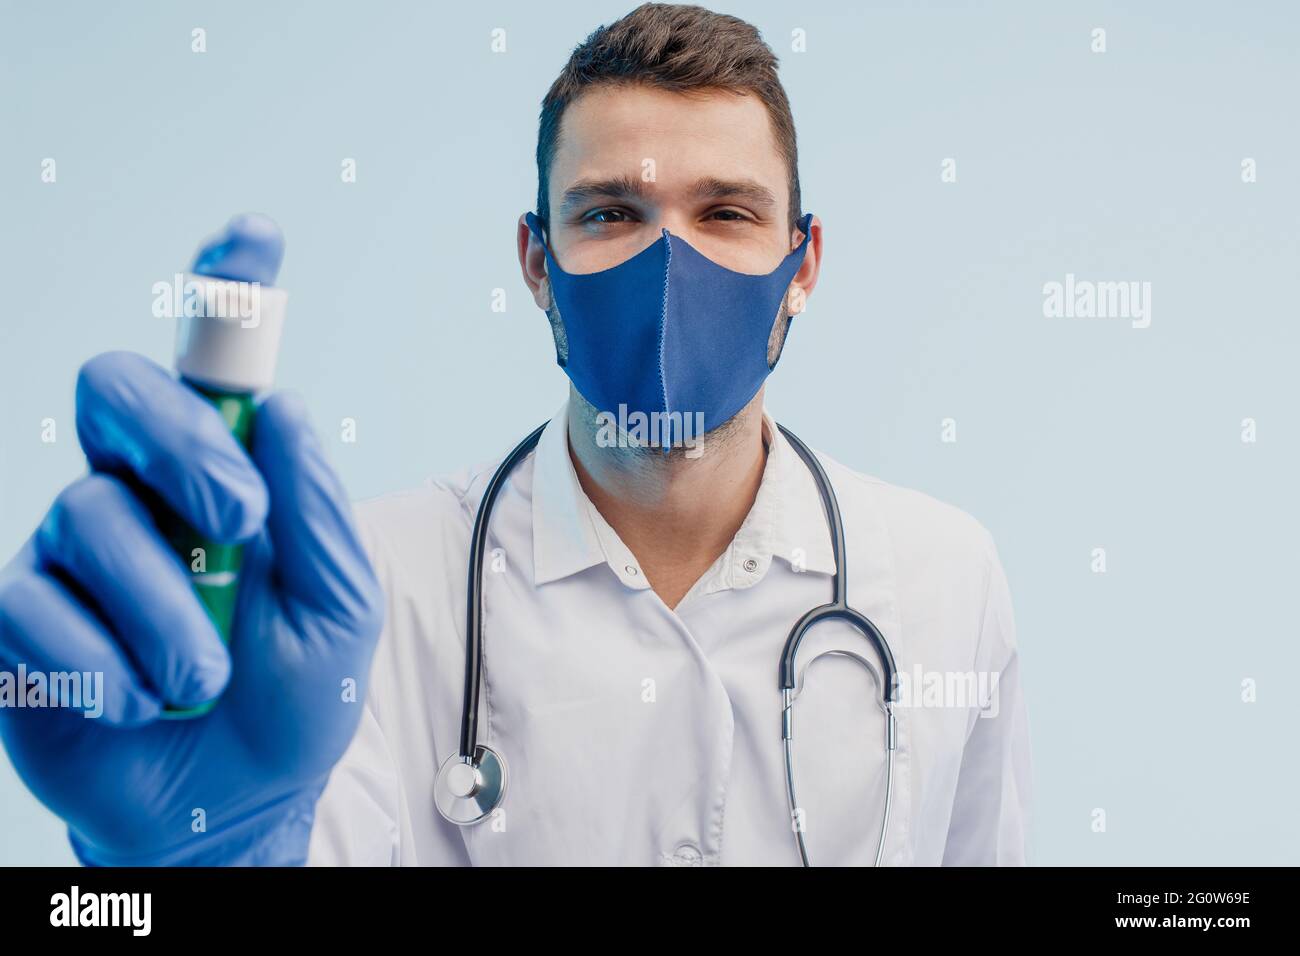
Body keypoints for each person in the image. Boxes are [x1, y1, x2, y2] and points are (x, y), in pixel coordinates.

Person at [0, 3, 1030, 866]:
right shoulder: (367, 592)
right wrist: (193, 858)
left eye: (724, 213)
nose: (668, 267)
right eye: (611, 213)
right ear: (536, 263)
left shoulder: (944, 575)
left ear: (801, 264)